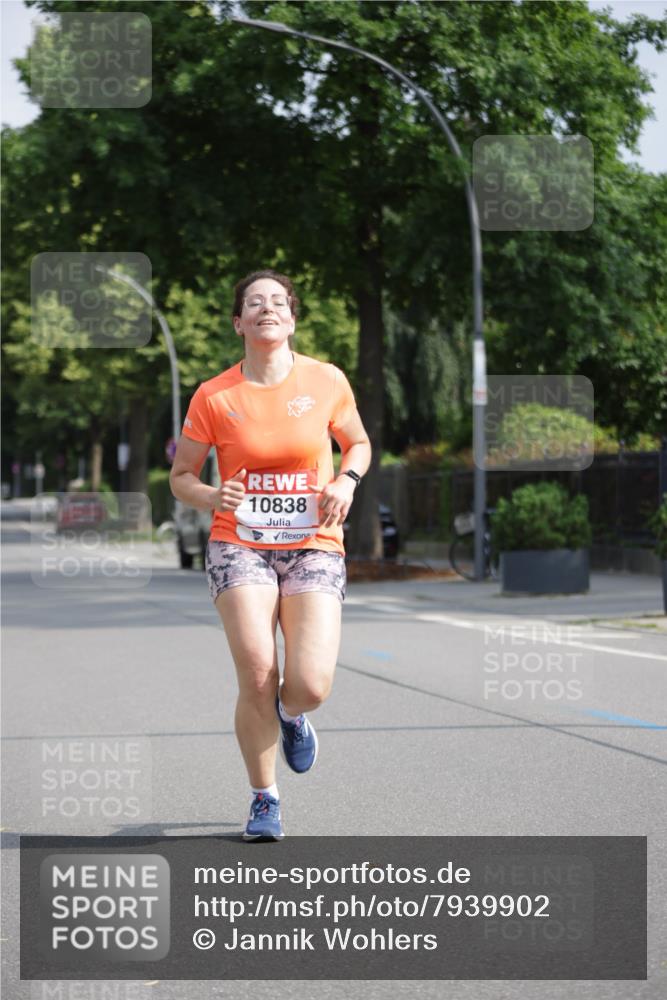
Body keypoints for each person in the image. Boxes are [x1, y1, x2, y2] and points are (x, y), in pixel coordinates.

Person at [169, 270, 372, 840]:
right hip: (239, 543)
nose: (267, 309)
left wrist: (348, 480)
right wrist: (212, 494)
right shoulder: (214, 395)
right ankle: (264, 798)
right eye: (254, 303)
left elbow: (358, 441)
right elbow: (181, 476)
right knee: (258, 670)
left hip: (314, 542)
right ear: (238, 322)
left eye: (278, 301)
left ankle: (292, 715)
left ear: (292, 318)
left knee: (309, 682)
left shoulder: (326, 380)